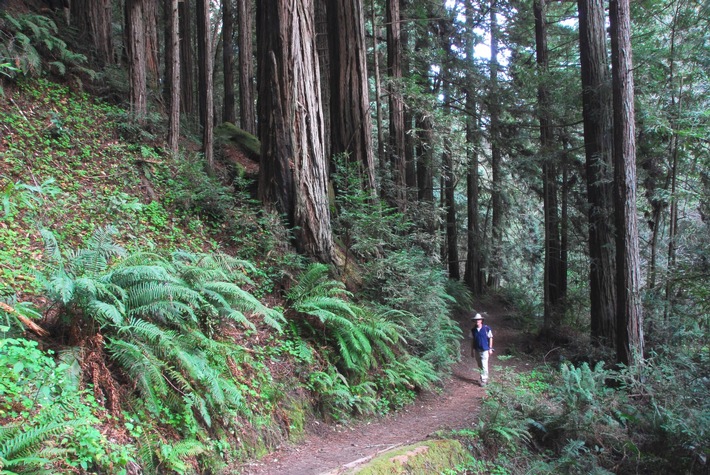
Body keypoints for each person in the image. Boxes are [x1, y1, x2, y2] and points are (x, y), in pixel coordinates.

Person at [470, 313, 494, 386]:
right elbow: (472, 340)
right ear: (474, 321)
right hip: (477, 350)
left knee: (484, 364)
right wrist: (472, 350)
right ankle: (482, 377)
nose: (477, 321)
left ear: (481, 320)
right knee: (479, 365)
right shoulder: (473, 330)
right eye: (476, 320)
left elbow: (490, 338)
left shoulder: (486, 328)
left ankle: (484, 380)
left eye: (479, 320)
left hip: (485, 350)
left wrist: (490, 348)